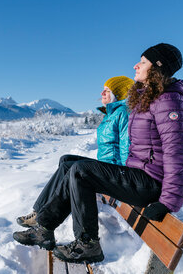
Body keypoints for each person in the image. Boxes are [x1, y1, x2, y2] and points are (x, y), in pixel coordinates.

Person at [13, 43, 183, 264]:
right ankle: (44, 227)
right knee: (70, 163)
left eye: (143, 62)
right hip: (137, 175)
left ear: (158, 68)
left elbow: (178, 155)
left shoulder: (169, 101)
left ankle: (87, 244)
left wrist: (167, 203)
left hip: (151, 183)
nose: (136, 65)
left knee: (81, 171)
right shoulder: (151, 97)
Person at [15, 76, 134, 229]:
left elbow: (127, 148)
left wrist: (125, 178)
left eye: (108, 90)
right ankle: (40, 210)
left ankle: (42, 215)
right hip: (105, 167)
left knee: (69, 167)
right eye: (103, 89)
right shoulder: (111, 114)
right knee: (66, 160)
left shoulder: (123, 113)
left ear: (118, 93)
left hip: (114, 172)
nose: (102, 92)